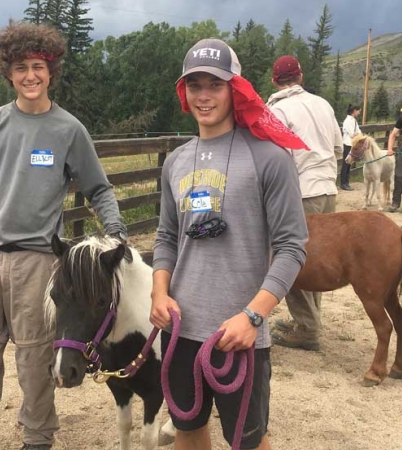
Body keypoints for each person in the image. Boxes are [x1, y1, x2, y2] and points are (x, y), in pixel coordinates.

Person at [0, 22, 127, 450]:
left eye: (38, 66)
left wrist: (118, 234)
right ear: (8, 73)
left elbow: (98, 188)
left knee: (35, 362)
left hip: (39, 263)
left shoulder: (68, 130)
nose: (30, 75)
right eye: (20, 67)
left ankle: (38, 439)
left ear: (51, 71)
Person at [150, 38, 309, 450]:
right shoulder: (176, 161)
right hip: (181, 329)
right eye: (195, 85)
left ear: (234, 88)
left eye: (215, 85)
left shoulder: (269, 158)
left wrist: (253, 317)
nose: (204, 96)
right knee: (187, 429)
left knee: (248, 441)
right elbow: (167, 235)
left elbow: (292, 246)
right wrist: (159, 291)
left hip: (240, 333)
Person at [265, 54, 343, 351]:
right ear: (300, 77)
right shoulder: (322, 104)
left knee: (289, 258)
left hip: (298, 191)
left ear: (275, 81)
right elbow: (338, 146)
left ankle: (307, 329)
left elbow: (274, 156)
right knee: (318, 259)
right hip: (327, 188)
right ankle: (308, 321)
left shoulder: (277, 109)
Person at [340, 104, 362, 190]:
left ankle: (346, 182)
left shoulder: (354, 121)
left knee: (349, 163)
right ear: (354, 111)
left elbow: (358, 132)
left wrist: (357, 134)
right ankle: (343, 183)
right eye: (358, 111)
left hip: (352, 144)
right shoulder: (348, 121)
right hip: (348, 144)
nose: (359, 113)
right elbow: (352, 134)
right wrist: (355, 134)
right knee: (346, 163)